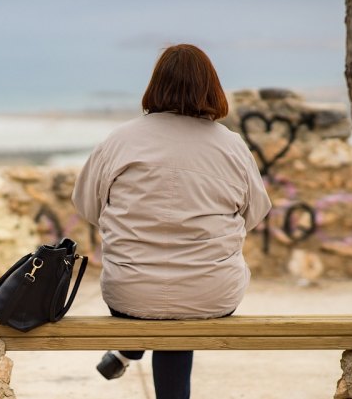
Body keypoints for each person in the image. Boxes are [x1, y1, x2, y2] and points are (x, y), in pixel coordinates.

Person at [71, 44, 271, 399]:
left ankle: (128, 350)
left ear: (155, 86)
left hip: (129, 292)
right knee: (183, 307)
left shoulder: (119, 140)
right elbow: (254, 213)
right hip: (212, 293)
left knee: (162, 308)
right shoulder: (232, 146)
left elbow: (87, 207)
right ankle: (130, 353)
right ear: (211, 87)